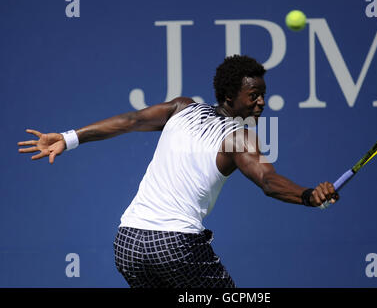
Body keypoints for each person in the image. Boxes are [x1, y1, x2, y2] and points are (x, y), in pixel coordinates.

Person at [17, 55, 338, 288]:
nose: (261, 103)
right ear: (230, 96)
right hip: (175, 246)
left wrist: (69, 138)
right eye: (253, 96)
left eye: (262, 95)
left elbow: (130, 122)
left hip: (127, 243)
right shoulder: (239, 136)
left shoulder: (181, 108)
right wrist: (308, 196)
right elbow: (268, 181)